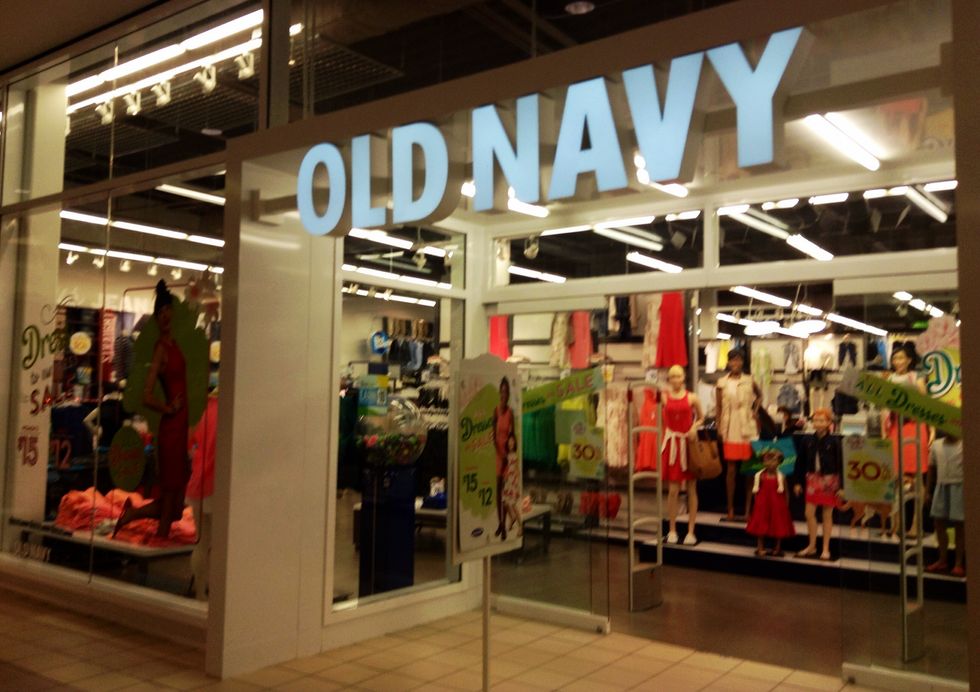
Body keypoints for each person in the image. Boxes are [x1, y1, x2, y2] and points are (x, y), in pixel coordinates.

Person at [114, 281, 189, 540]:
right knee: (169, 503)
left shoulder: (176, 345)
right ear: (156, 319)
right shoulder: (161, 350)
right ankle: (160, 542)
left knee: (176, 509)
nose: (166, 316)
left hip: (181, 428)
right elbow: (146, 395)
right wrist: (168, 407)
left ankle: (132, 514)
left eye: (168, 310)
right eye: (161, 313)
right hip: (172, 428)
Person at [716, 349, 761, 520]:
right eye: (732, 360)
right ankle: (730, 509)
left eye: (739, 360)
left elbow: (760, 396)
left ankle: (748, 510)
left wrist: (755, 411)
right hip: (730, 426)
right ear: (728, 363)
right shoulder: (722, 383)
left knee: (749, 469)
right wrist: (719, 427)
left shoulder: (749, 380)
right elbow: (719, 407)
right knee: (731, 469)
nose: (735, 363)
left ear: (743, 362)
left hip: (747, 426)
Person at [661, 365, 704, 545]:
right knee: (673, 490)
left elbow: (701, 417)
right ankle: (672, 529)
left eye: (678, 376)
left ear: (684, 377)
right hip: (673, 444)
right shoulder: (664, 397)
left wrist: (694, 427)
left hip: (689, 444)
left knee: (692, 489)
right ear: (669, 379)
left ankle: (691, 531)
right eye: (672, 376)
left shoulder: (692, 397)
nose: (676, 379)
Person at [793, 408, 841, 561]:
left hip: (830, 480)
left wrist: (842, 487)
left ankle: (825, 548)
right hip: (812, 479)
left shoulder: (834, 441)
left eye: (822, 420)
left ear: (829, 423)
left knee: (827, 514)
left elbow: (840, 464)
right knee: (809, 513)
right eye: (816, 420)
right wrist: (797, 482)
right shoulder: (807, 440)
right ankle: (812, 545)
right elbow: (800, 462)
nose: (818, 423)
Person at [926, 433, 966, 577]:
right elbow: (931, 468)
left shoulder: (965, 444)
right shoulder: (936, 445)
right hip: (941, 486)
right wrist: (928, 491)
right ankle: (942, 559)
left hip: (960, 486)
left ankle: (958, 563)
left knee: (960, 525)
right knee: (939, 524)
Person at [746, 447, 795, 556]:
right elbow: (756, 491)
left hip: (777, 505)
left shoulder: (781, 477)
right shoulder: (760, 476)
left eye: (774, 460)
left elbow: (786, 492)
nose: (770, 463)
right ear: (763, 462)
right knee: (760, 526)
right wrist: (757, 504)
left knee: (778, 526)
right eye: (767, 460)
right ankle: (760, 547)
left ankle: (777, 548)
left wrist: (785, 506)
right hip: (763, 505)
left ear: (779, 462)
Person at [492, 377, 514, 540]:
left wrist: (509, 454)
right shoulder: (496, 411)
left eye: (507, 392)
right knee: (498, 489)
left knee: (506, 492)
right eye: (502, 391)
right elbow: (493, 435)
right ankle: (499, 523)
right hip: (499, 454)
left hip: (507, 454)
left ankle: (504, 524)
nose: (504, 394)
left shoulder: (510, 412)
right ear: (500, 392)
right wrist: (500, 453)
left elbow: (512, 434)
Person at [502, 433, 522, 537]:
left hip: (512, 481)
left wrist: (516, 483)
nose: (511, 443)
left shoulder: (514, 455)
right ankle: (512, 518)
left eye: (512, 441)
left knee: (513, 504)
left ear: (514, 443)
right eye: (509, 441)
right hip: (507, 481)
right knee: (505, 502)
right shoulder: (507, 455)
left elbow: (517, 469)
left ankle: (520, 526)